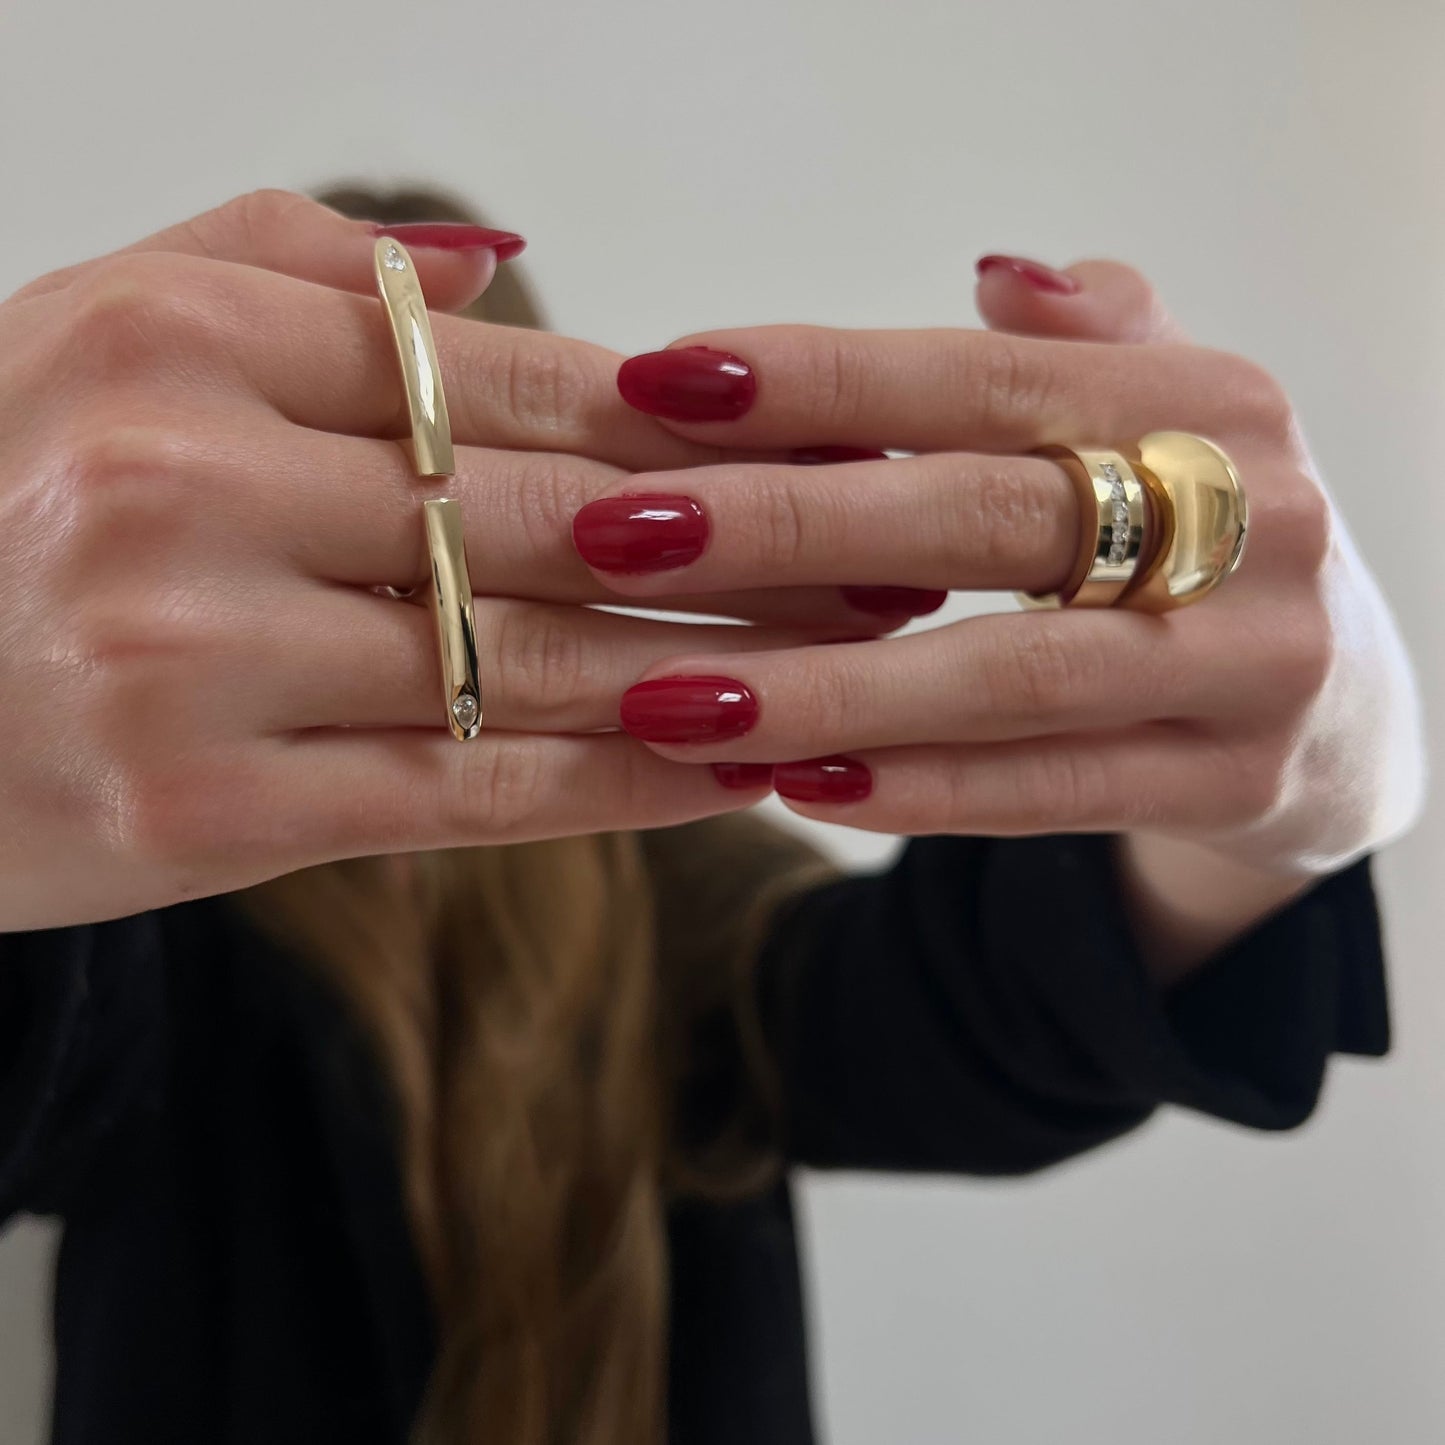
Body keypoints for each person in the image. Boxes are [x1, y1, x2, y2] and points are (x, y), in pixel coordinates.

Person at [0, 183, 1423, 1445]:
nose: (375, 536)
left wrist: (1284, 788)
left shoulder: (688, 909)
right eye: (300, 468)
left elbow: (984, 1010)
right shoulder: (132, 913)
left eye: (417, 441)